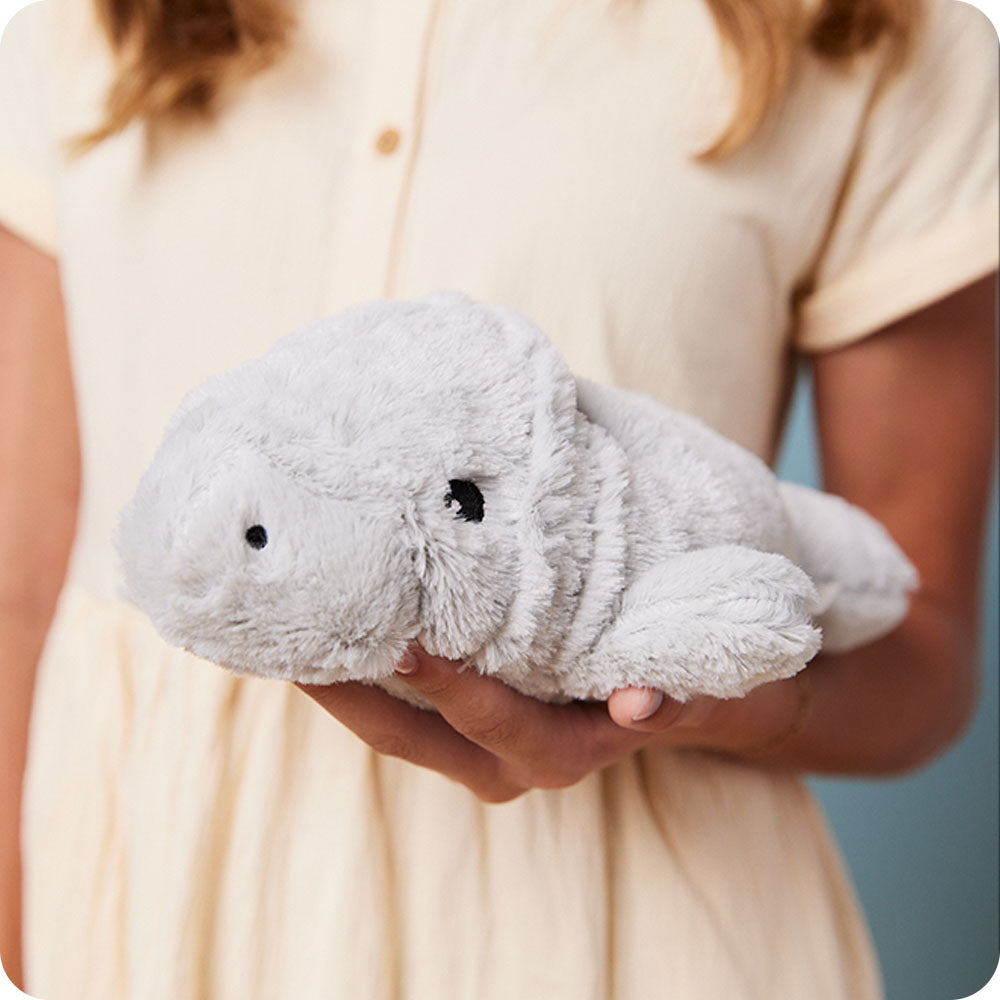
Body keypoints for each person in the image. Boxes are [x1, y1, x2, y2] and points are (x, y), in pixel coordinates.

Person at [0, 0, 995, 997]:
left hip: (636, 932)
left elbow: (913, 637)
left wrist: (686, 692)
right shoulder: (76, 22)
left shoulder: (873, 29)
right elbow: (22, 595)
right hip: (153, 903)